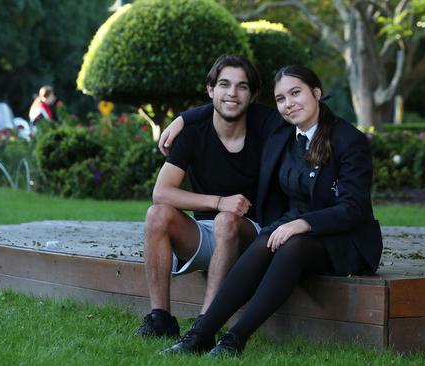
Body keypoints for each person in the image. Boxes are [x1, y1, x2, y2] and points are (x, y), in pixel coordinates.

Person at [161, 65, 383, 357]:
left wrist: (302, 223)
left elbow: (353, 209)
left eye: (296, 93)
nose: (288, 104)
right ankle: (201, 334)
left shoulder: (348, 140)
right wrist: (182, 119)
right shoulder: (281, 133)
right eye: (280, 99)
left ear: (316, 93)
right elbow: (229, 103)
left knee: (292, 245)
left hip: (344, 239)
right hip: (291, 226)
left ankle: (235, 339)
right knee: (266, 241)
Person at [136, 55, 279, 338]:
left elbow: (300, 115)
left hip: (253, 237)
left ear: (252, 96)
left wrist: (184, 115)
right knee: (157, 214)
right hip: (205, 233)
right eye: (224, 85)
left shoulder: (265, 127)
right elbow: (160, 192)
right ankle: (160, 319)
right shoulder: (192, 135)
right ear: (210, 90)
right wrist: (217, 202)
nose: (232, 93)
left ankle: (205, 324)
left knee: (226, 220)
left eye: (242, 87)